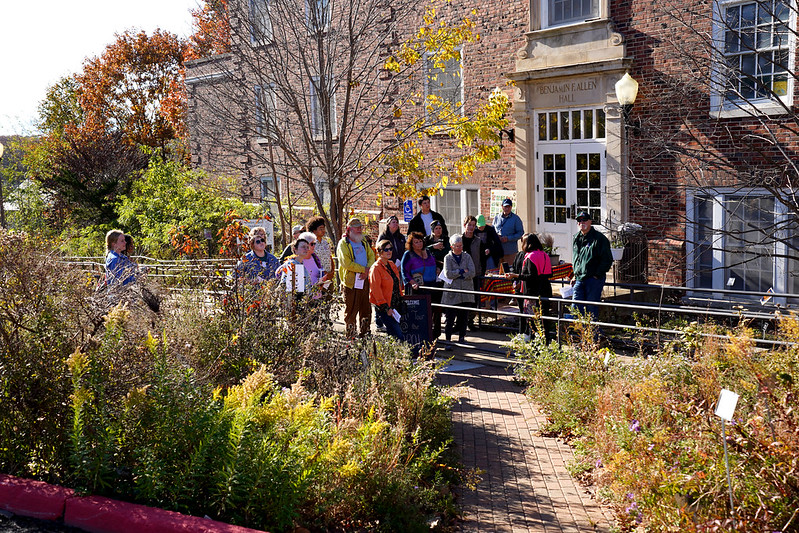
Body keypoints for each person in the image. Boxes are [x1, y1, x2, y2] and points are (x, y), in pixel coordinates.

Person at [505, 233, 553, 340]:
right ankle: (546, 340)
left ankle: (534, 341)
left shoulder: (531, 256)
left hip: (532, 291)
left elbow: (531, 276)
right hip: (545, 288)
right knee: (544, 317)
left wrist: (515, 276)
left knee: (532, 318)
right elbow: (550, 273)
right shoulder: (545, 255)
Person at [336, 218, 376, 338]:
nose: (360, 230)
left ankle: (365, 333)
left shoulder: (363, 241)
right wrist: (363, 270)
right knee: (352, 310)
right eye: (357, 228)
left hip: (365, 280)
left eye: (360, 227)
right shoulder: (343, 243)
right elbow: (346, 263)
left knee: (366, 309)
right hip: (351, 282)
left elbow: (371, 256)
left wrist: (368, 270)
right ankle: (351, 335)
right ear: (349, 230)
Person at [571, 210, 613, 319]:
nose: (582, 222)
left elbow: (607, 259)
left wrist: (597, 275)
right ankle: (577, 333)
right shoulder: (576, 238)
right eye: (579, 220)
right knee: (576, 307)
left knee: (591, 308)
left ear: (590, 222)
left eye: (584, 220)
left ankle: (593, 334)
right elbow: (577, 259)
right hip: (579, 278)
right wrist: (575, 274)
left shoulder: (599, 239)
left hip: (593, 279)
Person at [401, 231, 442, 341]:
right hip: (418, 288)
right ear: (411, 244)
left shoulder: (427, 251)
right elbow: (404, 272)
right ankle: (423, 335)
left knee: (436, 310)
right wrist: (411, 282)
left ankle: (435, 334)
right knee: (422, 313)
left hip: (432, 285)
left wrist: (437, 269)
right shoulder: (408, 255)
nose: (419, 244)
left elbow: (433, 263)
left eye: (420, 241)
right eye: (416, 242)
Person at [441, 234, 476, 348]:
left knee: (463, 316)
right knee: (450, 318)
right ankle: (448, 340)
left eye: (461, 246)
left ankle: (462, 337)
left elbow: (472, 272)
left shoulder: (467, 257)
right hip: (452, 292)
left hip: (465, 291)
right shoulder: (448, 258)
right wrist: (461, 271)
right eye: (457, 246)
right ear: (452, 247)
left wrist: (461, 275)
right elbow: (448, 274)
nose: (459, 248)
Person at [369, 239, 406, 342]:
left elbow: (397, 284)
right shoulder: (375, 268)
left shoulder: (392, 265)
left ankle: (395, 356)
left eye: (390, 249)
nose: (389, 251)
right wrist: (386, 308)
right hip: (385, 307)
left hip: (395, 306)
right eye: (386, 250)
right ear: (380, 252)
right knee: (398, 335)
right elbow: (376, 290)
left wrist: (401, 299)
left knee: (394, 336)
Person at [461, 215, 485, 328]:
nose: (471, 227)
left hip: (475, 274)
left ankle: (470, 320)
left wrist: (482, 273)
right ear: (465, 225)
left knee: (474, 299)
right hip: (461, 275)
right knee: (461, 298)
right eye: (469, 225)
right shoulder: (459, 240)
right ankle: (460, 321)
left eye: (473, 225)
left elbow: (482, 259)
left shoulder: (478, 241)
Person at [493, 198, 525, 265]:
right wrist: (497, 237)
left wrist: (508, 238)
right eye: (505, 207)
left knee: (510, 270)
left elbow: (520, 233)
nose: (507, 209)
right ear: (502, 207)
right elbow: (492, 231)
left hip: (510, 251)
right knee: (498, 271)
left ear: (511, 207)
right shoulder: (496, 218)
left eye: (508, 207)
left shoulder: (516, 219)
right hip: (498, 250)